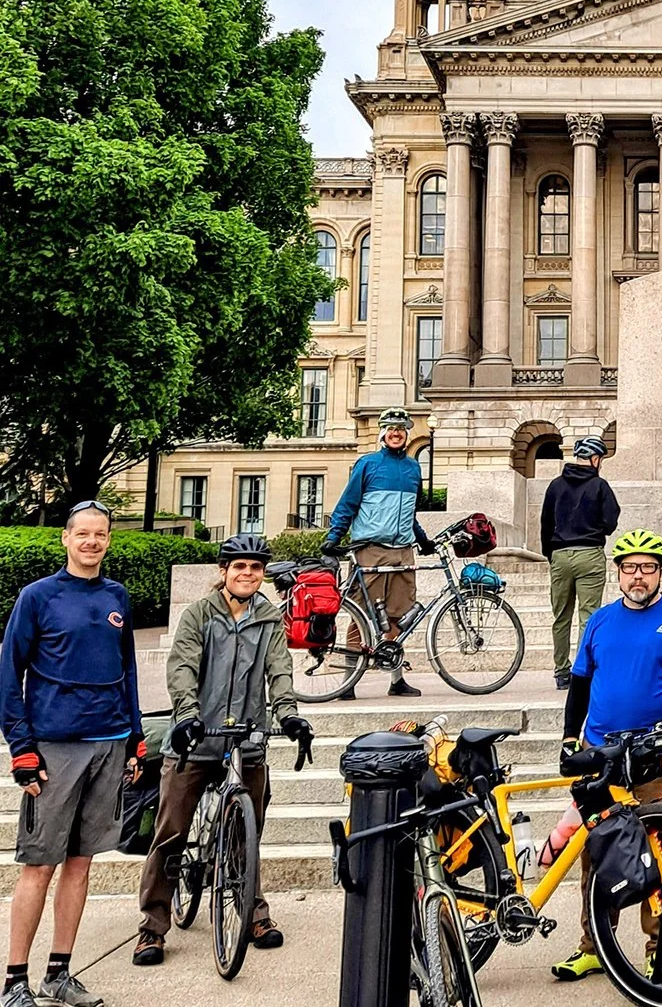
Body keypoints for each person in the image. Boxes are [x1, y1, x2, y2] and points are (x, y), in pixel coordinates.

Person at [132, 535, 314, 966]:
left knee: (246, 833)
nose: (247, 574)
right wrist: (188, 715)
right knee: (171, 832)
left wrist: (288, 715)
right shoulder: (199, 614)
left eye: (255, 567)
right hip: (196, 737)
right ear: (223, 572)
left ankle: (254, 914)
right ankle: (152, 927)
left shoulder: (270, 619)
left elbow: (279, 671)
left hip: (247, 738)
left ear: (263, 574)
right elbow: (182, 667)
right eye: (239, 567)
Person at [552, 530, 662, 984]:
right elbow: (580, 683)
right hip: (600, 754)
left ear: (660, 572)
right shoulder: (600, 621)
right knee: (596, 855)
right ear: (618, 574)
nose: (637, 575)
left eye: (647, 567)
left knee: (661, 853)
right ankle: (593, 946)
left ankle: (659, 950)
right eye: (629, 568)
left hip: (654, 757)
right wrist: (569, 736)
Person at [1, 501, 142, 1007]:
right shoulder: (37, 597)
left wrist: (135, 738)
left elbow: (127, 671)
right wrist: (21, 749)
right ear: (65, 538)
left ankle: (58, 973)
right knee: (39, 865)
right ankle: (15, 979)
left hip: (108, 742)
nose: (91, 542)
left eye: (100, 534)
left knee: (81, 863)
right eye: (82, 533)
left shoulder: (116, 596)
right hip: (53, 748)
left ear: (108, 539)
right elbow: (8, 674)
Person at [322, 407, 437, 697]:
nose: (396, 433)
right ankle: (348, 682)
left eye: (401, 429)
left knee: (398, 616)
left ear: (407, 434)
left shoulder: (413, 468)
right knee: (360, 616)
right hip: (370, 549)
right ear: (383, 434)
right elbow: (347, 504)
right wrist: (333, 537)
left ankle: (396, 680)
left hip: (402, 551)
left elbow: (410, 513)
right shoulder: (368, 464)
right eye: (391, 429)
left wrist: (422, 540)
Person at [540, 436, 621, 691]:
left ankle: (561, 671)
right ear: (595, 459)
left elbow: (545, 524)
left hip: (560, 555)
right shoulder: (600, 485)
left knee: (560, 617)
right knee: (588, 616)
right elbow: (610, 522)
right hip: (589, 554)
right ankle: (583, 672)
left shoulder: (555, 486)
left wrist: (551, 555)